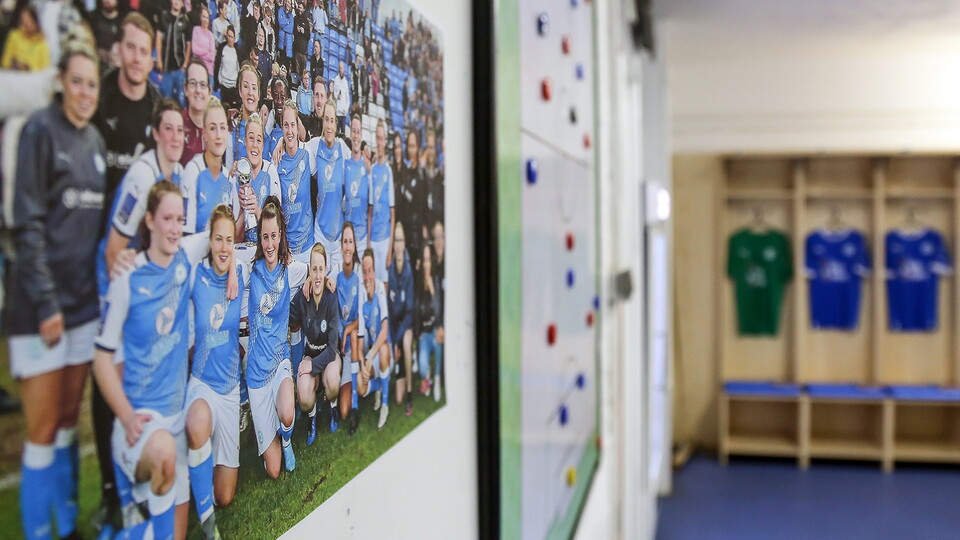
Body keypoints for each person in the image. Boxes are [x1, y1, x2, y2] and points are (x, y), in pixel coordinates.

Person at [8, 42, 104, 540]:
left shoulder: (94, 145)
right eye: (78, 81)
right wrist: (46, 302)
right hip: (41, 311)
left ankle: (67, 526)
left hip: (83, 309)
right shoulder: (39, 132)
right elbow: (26, 223)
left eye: (93, 83)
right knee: (42, 432)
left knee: (68, 420)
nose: (85, 91)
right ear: (62, 81)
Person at [93, 181, 225, 540]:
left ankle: (147, 523)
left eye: (179, 219)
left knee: (171, 534)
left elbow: (222, 233)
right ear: (149, 220)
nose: (174, 226)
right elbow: (102, 359)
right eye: (167, 218)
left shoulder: (184, 253)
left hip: (175, 418)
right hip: (142, 424)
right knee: (165, 455)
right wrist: (124, 414)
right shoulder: (127, 277)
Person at [184, 205, 243, 539]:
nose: (223, 247)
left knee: (226, 495)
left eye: (229, 240)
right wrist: (214, 246)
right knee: (197, 425)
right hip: (203, 384)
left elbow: (267, 254)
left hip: (231, 390)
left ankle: (198, 475)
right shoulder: (196, 276)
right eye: (217, 239)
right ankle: (207, 521)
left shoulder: (242, 273)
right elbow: (182, 248)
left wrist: (234, 265)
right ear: (208, 241)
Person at [243, 196, 307, 476]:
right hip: (256, 375)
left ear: (281, 236)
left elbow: (312, 270)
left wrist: (321, 280)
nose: (269, 244)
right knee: (273, 470)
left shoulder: (288, 270)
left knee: (288, 413)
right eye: (265, 237)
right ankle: (268, 438)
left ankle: (288, 438)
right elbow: (227, 266)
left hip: (280, 362)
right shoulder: (250, 268)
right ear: (259, 238)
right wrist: (233, 277)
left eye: (274, 236)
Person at [100, 98, 186, 298]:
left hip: (147, 278)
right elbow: (113, 251)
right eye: (168, 129)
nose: (176, 137)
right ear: (156, 133)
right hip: (118, 282)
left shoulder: (179, 174)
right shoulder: (142, 177)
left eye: (180, 130)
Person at [290, 243, 346, 439]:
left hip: (329, 356)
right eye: (314, 269)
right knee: (304, 396)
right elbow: (288, 318)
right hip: (311, 352)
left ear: (326, 270)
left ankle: (332, 407)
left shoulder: (331, 297)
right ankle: (312, 418)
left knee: (332, 380)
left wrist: (312, 365)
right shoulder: (302, 297)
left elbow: (332, 350)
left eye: (321, 269)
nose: (318, 274)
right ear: (310, 271)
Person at [180, 95, 243, 236]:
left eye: (222, 127)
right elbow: (184, 237)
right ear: (204, 133)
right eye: (213, 128)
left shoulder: (228, 178)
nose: (219, 135)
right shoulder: (193, 172)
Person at [303, 99, 347, 276]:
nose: (329, 125)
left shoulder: (343, 149)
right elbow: (296, 149)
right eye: (326, 119)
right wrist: (282, 142)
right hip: (320, 232)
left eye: (332, 120)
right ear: (322, 121)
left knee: (335, 290)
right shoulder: (314, 145)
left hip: (338, 238)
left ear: (336, 124)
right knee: (318, 285)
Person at [335, 221, 365, 434]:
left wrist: (348, 330)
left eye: (350, 242)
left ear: (355, 246)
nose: (347, 246)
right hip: (342, 348)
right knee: (341, 411)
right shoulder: (335, 271)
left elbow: (363, 316)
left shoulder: (360, 272)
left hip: (356, 343)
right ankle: (344, 403)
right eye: (344, 241)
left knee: (354, 335)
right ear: (341, 245)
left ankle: (356, 404)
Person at [357, 248, 390, 429]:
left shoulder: (380, 289)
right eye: (364, 271)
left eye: (370, 271)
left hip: (384, 351)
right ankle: (378, 386)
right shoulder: (362, 294)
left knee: (384, 349)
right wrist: (363, 363)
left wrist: (369, 358)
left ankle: (384, 403)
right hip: (370, 355)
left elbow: (384, 332)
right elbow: (360, 336)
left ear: (374, 272)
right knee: (361, 389)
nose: (367, 276)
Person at [238, 112, 281, 243]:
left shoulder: (270, 171)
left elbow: (278, 223)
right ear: (245, 141)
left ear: (263, 144)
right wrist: (241, 210)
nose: (255, 145)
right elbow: (234, 236)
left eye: (259, 140)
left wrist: (257, 211)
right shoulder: (238, 173)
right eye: (251, 138)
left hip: (266, 251)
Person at [387, 221, 414, 416]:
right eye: (395, 240)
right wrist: (391, 341)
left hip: (406, 324)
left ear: (404, 243)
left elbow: (410, 310)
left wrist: (397, 341)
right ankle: (401, 367)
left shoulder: (408, 271)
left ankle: (411, 395)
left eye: (401, 240)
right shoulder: (390, 270)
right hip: (394, 327)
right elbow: (389, 309)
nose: (398, 244)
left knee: (405, 342)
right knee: (397, 397)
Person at [368, 119, 394, 286]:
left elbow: (393, 213)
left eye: (382, 138)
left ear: (385, 140)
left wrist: (390, 248)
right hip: (374, 238)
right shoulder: (372, 171)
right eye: (377, 138)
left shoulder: (388, 171)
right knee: (372, 284)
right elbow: (370, 212)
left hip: (385, 239)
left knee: (383, 285)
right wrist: (369, 242)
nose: (379, 141)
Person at [415, 242, 441, 399]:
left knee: (439, 340)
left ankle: (437, 378)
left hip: (436, 330)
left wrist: (432, 290)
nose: (426, 264)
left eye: (428, 260)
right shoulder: (418, 283)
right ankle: (428, 376)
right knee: (422, 370)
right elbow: (416, 312)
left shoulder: (436, 281)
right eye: (423, 260)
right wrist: (419, 334)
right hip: (424, 334)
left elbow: (439, 312)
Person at [155, 0, 193, 107]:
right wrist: (158, 59)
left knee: (181, 102)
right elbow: (158, 39)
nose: (177, 2)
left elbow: (188, 44)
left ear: (182, 4)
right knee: (166, 100)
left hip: (179, 68)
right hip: (166, 68)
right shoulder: (164, 17)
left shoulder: (185, 21)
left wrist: (185, 65)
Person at [343, 112, 370, 248]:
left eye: (358, 132)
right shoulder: (345, 164)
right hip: (348, 237)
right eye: (353, 131)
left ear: (361, 135)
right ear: (350, 133)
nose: (355, 135)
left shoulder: (368, 166)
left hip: (363, 239)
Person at [2, 1, 50, 71]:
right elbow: (5, 61)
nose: (24, 26)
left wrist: (28, 67)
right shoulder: (14, 35)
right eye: (22, 22)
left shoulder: (42, 42)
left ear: (35, 22)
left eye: (27, 23)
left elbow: (45, 68)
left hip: (32, 79)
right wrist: (12, 64)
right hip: (13, 76)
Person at [181, 57, 211, 166]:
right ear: (185, 88)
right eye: (193, 83)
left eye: (203, 85)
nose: (198, 90)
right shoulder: (177, 125)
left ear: (209, 91)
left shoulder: (216, 128)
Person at [90, 0, 120, 73]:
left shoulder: (122, 22)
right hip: (95, 66)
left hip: (113, 69)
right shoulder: (93, 18)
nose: (108, 1)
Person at [214, 25, 239, 108]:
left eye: (232, 37)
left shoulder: (237, 51)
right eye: (228, 36)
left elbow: (238, 68)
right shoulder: (222, 48)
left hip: (233, 85)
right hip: (223, 84)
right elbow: (219, 65)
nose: (230, 39)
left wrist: (236, 83)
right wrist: (219, 80)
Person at [192, 4, 216, 75]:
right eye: (204, 17)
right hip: (197, 67)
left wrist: (199, 56)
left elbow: (212, 57)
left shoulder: (210, 35)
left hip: (208, 71)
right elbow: (194, 49)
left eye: (207, 18)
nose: (205, 20)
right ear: (200, 17)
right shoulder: (196, 29)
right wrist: (206, 51)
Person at [333, 60, 349, 136]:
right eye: (340, 68)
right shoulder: (336, 79)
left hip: (343, 113)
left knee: (343, 134)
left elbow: (347, 99)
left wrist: (345, 110)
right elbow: (334, 93)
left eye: (342, 68)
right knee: (336, 133)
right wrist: (337, 96)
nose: (341, 70)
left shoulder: (345, 82)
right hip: (337, 112)